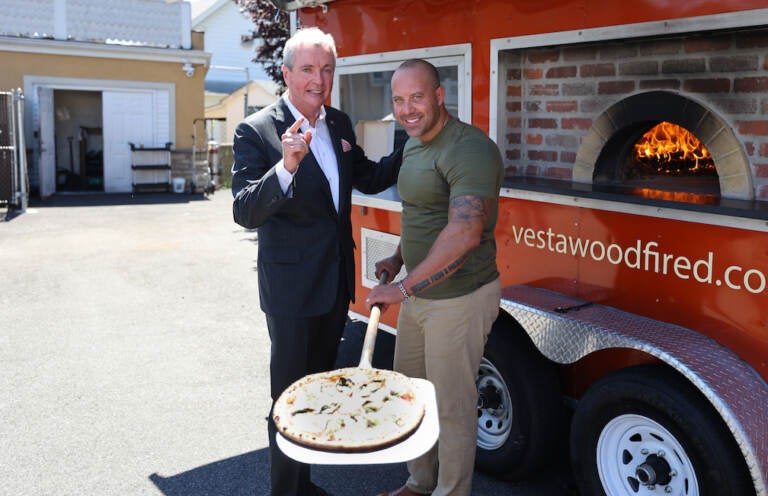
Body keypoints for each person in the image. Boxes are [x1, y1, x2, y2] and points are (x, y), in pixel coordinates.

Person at [231, 27, 402, 496]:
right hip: (290, 292)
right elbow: (244, 210)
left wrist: (415, 137)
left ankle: (303, 484)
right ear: (286, 73)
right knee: (287, 398)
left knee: (319, 394)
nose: (318, 79)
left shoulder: (340, 124)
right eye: (307, 69)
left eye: (326, 69)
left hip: (334, 286)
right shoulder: (257, 130)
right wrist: (285, 166)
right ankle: (285, 492)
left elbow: (368, 177)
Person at [365, 59, 504, 496]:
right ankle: (420, 482)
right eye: (399, 100)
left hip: (459, 299)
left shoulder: (469, 148)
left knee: (451, 407)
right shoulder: (414, 144)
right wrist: (397, 258)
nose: (407, 109)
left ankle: (450, 491)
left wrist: (401, 287)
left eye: (417, 98)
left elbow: (463, 232)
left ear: (439, 96)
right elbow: (423, 213)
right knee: (411, 396)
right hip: (420, 295)